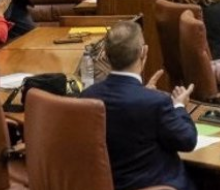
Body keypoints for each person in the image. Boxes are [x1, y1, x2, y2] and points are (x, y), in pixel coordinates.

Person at [82, 21, 197, 190]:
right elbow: (187, 141)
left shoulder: (87, 97)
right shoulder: (156, 102)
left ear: (106, 55)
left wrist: (144, 93)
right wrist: (179, 106)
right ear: (144, 52)